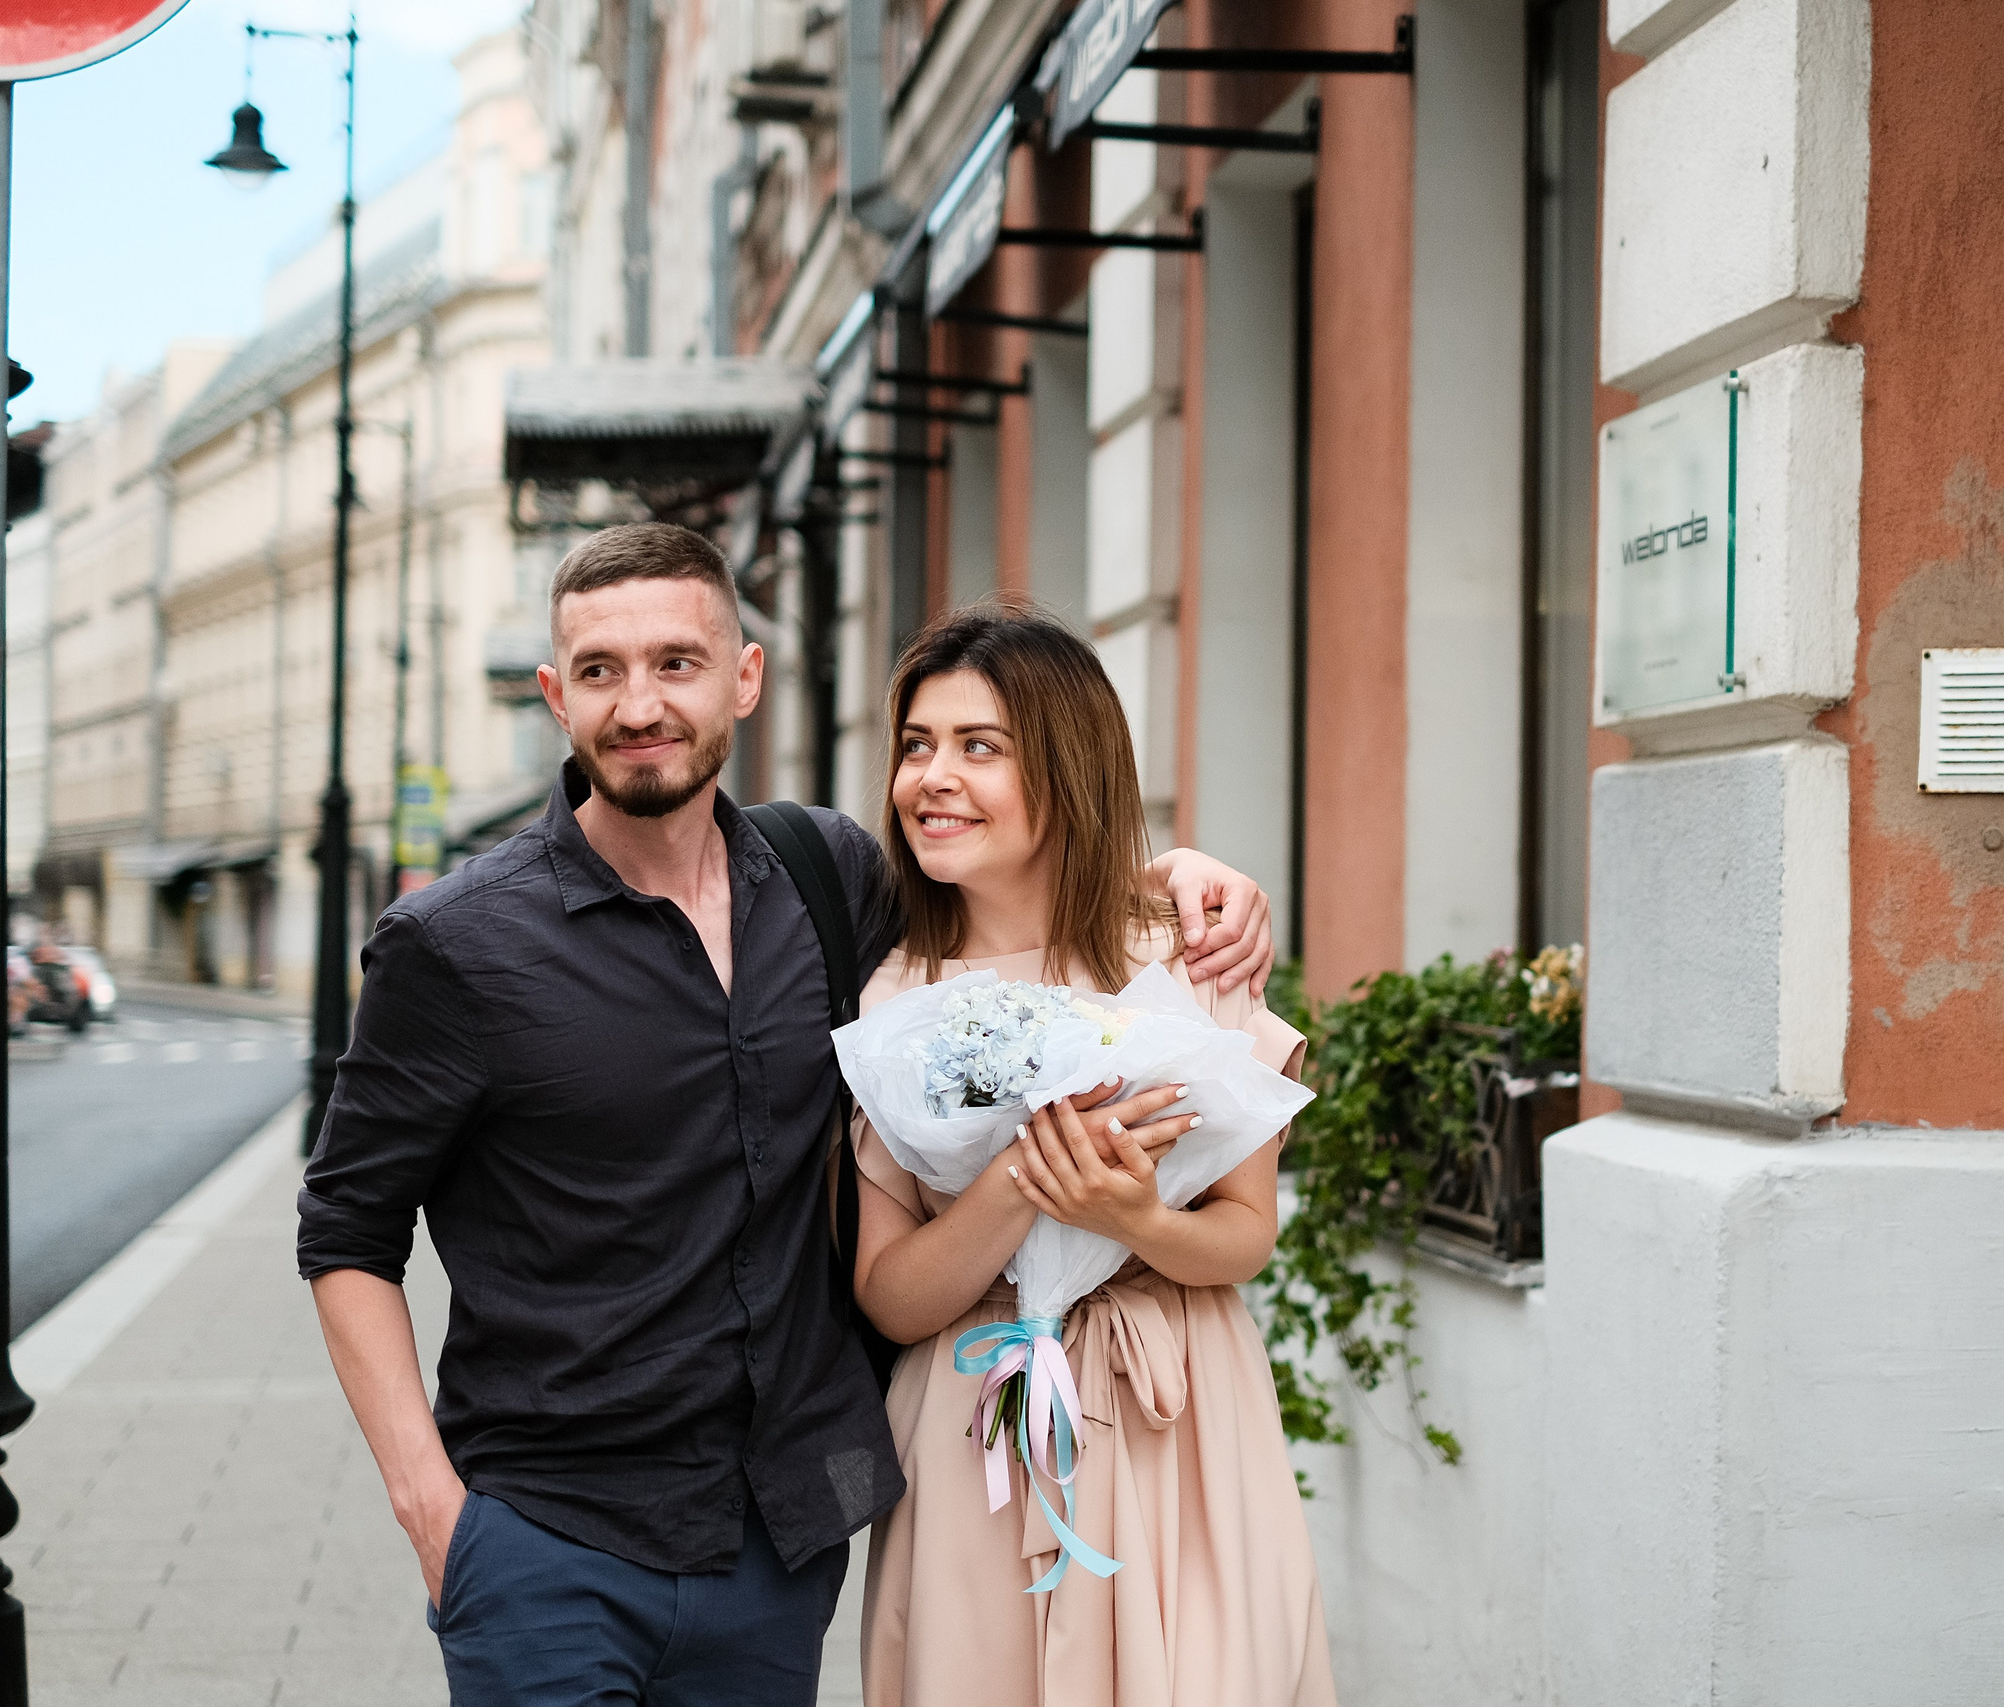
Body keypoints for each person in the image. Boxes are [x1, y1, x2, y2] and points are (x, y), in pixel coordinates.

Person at [295, 522, 1279, 1707]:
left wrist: (1178, 874)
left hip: (778, 1539)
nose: (638, 703)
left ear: (743, 679)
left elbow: (1014, 900)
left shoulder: (832, 884)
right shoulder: (454, 943)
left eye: (676, 662)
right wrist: (432, 1510)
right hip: (548, 1542)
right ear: (556, 695)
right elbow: (346, 1233)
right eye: (599, 671)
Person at [850, 604, 1334, 1707]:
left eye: (980, 747)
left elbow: (1244, 1236)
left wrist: (1134, 1221)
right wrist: (1028, 1178)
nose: (931, 777)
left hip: (1179, 1415)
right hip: (978, 1428)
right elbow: (889, 1296)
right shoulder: (892, 996)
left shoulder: (1186, 956)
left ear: (1066, 768)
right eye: (917, 746)